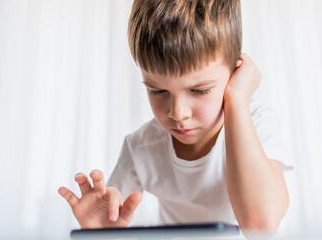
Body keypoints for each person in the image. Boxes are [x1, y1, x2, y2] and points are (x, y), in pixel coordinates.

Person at [58, 0, 293, 236]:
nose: (178, 113)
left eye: (199, 90)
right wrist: (102, 231)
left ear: (236, 72)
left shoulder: (257, 122)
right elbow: (109, 212)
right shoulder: (141, 147)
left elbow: (260, 226)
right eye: (157, 91)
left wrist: (238, 99)